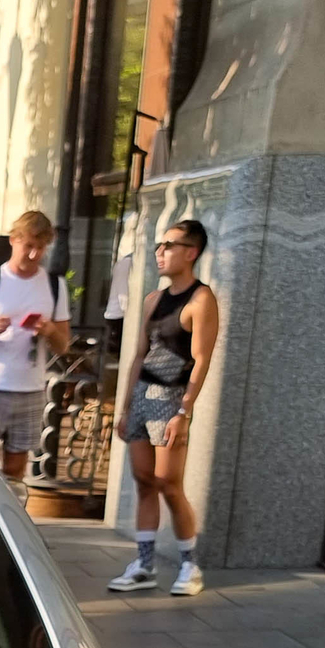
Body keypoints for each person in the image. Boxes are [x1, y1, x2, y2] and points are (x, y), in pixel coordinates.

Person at [107, 217, 220, 598]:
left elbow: (201, 359)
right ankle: (144, 564)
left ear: (191, 252)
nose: (161, 252)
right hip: (142, 397)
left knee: (170, 483)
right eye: (160, 245)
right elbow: (139, 353)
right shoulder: (153, 299)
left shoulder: (201, 300)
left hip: (171, 401)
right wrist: (124, 407)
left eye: (169, 246)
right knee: (143, 481)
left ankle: (190, 565)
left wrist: (184, 412)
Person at [0, 208, 74, 484]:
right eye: (28, 245)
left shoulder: (55, 286)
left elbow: (63, 346)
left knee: (15, 473)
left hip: (30, 390)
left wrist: (49, 330)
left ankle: (13, 520)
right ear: (13, 240)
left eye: (41, 248)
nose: (33, 254)